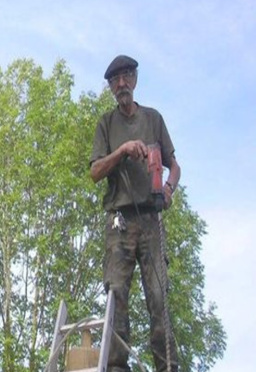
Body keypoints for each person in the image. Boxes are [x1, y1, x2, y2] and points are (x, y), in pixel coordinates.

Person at [89, 55, 181, 372]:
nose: (121, 84)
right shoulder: (106, 124)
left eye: (126, 76)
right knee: (116, 294)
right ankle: (115, 367)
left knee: (158, 296)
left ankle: (167, 366)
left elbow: (175, 165)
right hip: (119, 222)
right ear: (111, 87)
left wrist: (169, 188)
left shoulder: (153, 119)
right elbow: (95, 171)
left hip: (151, 221)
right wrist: (123, 149)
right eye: (115, 80)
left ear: (135, 79)